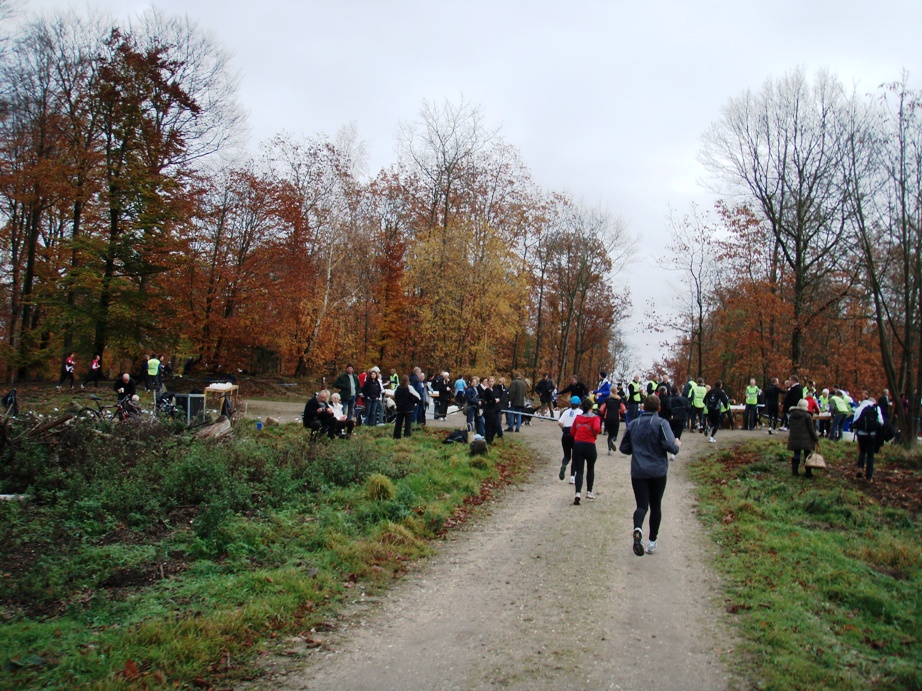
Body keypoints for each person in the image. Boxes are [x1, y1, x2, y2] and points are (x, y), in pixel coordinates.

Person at [619, 394, 681, 556]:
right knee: (656, 506)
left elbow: (624, 448)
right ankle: (652, 541)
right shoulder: (662, 423)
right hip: (658, 471)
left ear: (643, 407)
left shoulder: (633, 424)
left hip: (639, 471)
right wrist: (677, 445)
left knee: (641, 506)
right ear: (659, 409)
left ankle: (638, 529)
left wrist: (637, 447)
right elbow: (670, 445)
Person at [570, 398, 602, 505]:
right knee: (590, 468)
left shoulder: (578, 418)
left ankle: (577, 493)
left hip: (578, 444)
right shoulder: (595, 418)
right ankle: (589, 491)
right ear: (591, 407)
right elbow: (597, 429)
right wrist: (594, 434)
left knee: (579, 471)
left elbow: (572, 432)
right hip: (590, 445)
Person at [852, 392, 883, 481]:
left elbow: (855, 422)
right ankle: (869, 475)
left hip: (861, 434)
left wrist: (856, 434)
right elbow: (881, 422)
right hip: (872, 435)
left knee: (862, 451)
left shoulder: (858, 409)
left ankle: (860, 468)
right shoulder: (876, 408)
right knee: (870, 455)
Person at [788, 398, 819, 478]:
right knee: (807, 456)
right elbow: (811, 429)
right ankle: (808, 473)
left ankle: (795, 472)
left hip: (794, 438)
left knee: (796, 454)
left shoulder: (792, 415)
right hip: (806, 439)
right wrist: (816, 438)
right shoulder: (807, 416)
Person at [557, 395, 581, 483]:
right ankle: (572, 476)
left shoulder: (566, 412)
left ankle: (564, 465)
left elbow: (559, 422)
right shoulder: (580, 412)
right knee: (575, 456)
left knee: (567, 455)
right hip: (575, 436)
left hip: (565, 435)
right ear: (579, 404)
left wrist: (564, 429)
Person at [393, 374, 418, 439]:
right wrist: (414, 402)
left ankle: (396, 435)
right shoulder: (409, 388)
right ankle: (407, 435)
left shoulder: (398, 387)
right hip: (408, 408)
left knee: (398, 422)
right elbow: (417, 397)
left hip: (400, 408)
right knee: (408, 423)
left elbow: (395, 396)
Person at [601, 387, 622, 455]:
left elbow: (601, 409)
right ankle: (613, 441)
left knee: (609, 434)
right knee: (614, 435)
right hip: (615, 417)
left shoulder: (607, 399)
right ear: (616, 391)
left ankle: (609, 450)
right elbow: (624, 408)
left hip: (608, 418)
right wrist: (620, 412)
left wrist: (603, 414)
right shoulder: (619, 399)